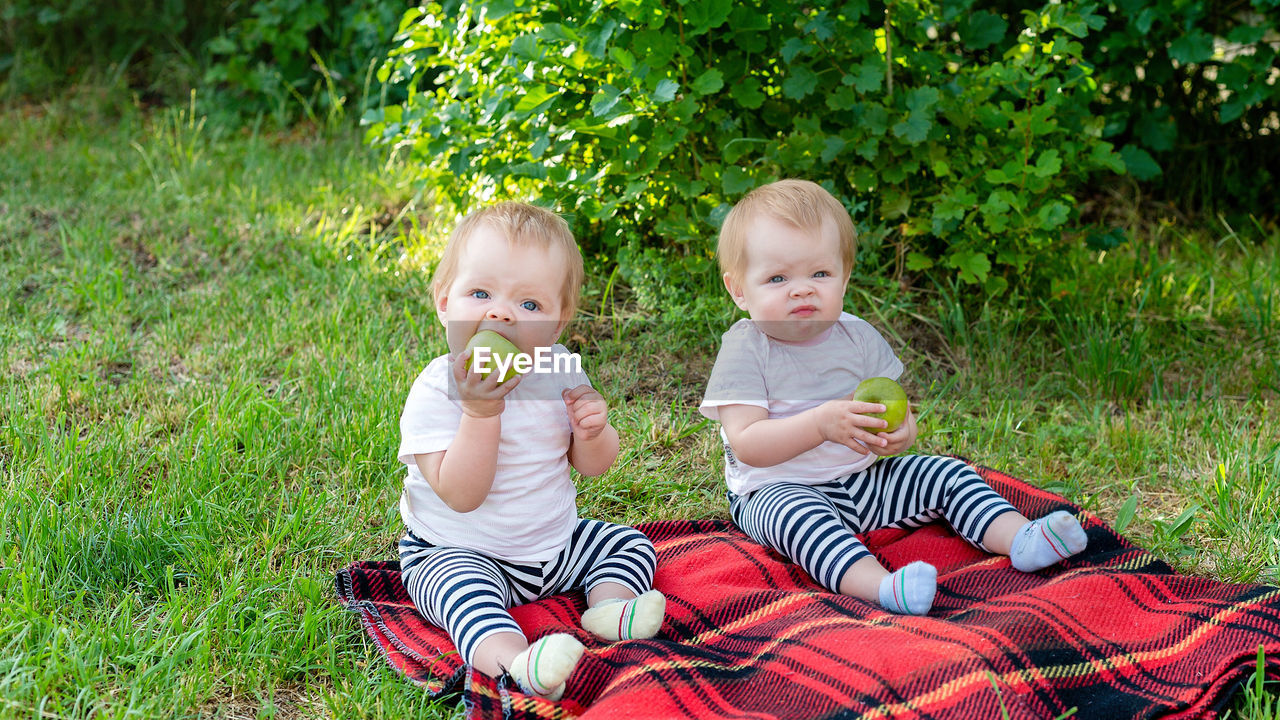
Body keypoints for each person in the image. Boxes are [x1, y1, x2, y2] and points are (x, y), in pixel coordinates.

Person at [698, 179, 1087, 616]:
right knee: (801, 522)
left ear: (845, 276)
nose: (802, 289)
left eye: (820, 273)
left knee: (945, 473)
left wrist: (901, 433)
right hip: (774, 489)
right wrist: (820, 424)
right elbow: (748, 443)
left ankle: (1021, 538)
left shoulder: (857, 335)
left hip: (863, 482)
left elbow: (894, 409)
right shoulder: (746, 348)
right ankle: (882, 587)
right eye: (777, 278)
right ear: (738, 290)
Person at [396, 202, 665, 700]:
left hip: (553, 546)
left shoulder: (559, 371)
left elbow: (593, 468)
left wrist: (592, 433)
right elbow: (461, 494)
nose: (500, 313)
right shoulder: (438, 390)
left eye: (530, 305)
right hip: (458, 548)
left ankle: (611, 609)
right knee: (462, 596)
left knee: (627, 544)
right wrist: (480, 414)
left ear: (557, 327)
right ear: (443, 301)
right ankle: (517, 661)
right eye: (480, 293)